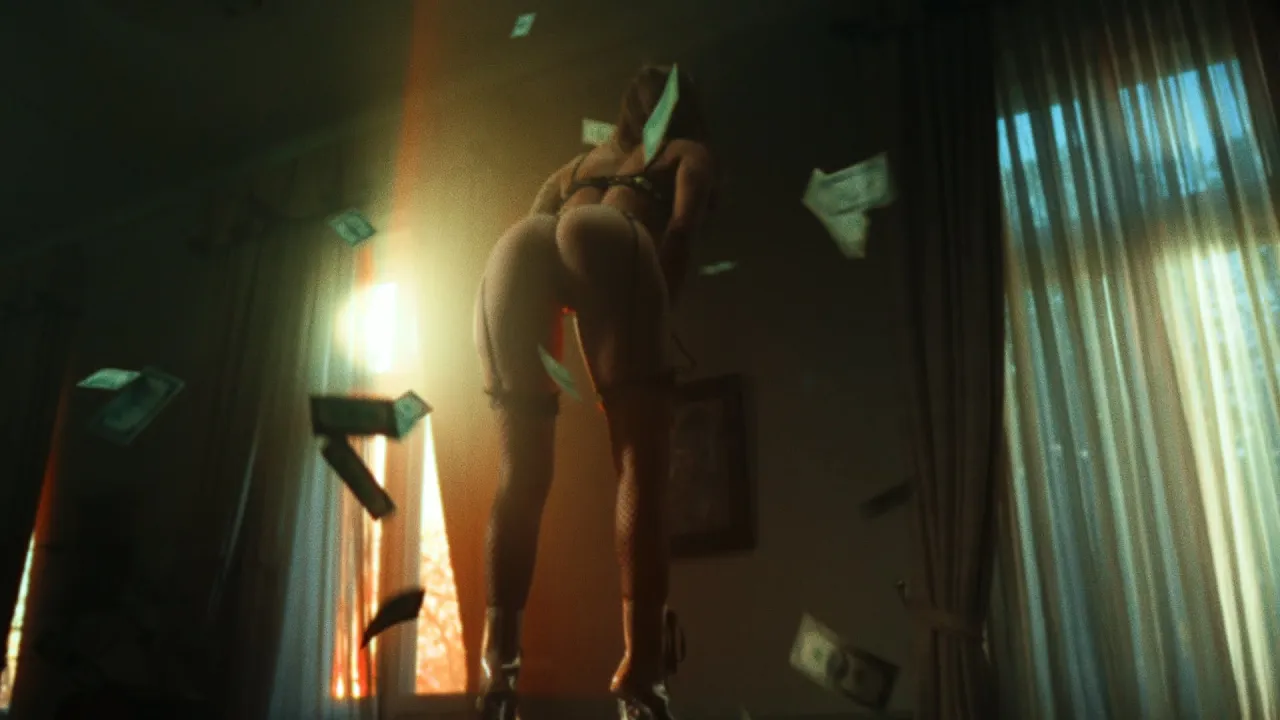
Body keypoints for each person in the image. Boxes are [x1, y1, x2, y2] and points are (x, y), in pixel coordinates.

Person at [472, 64, 716, 720]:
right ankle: (643, 673)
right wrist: (655, 316)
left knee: (520, 473)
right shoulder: (688, 151)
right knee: (640, 461)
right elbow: (682, 229)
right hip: (610, 238)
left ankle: (499, 671)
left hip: (518, 247)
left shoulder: (576, 164)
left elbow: (540, 240)